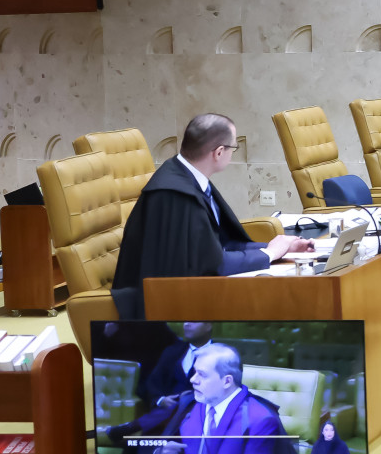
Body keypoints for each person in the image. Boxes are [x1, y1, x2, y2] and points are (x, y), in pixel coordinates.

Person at [111, 114, 310, 320]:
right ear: (219, 152)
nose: (232, 153)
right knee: (284, 304)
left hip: (191, 288)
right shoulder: (177, 195)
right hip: (167, 310)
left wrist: (279, 248)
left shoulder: (189, 178)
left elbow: (219, 244)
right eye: (233, 148)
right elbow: (213, 264)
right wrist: (269, 254)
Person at [108, 343, 292, 454]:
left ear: (227, 381)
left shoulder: (260, 418)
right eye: (194, 371)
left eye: (201, 374)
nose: (192, 379)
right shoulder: (190, 406)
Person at [138, 321, 215, 410]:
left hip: (204, 411)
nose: (186, 324)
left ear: (208, 326)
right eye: (185, 321)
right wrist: (161, 400)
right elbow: (153, 382)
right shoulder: (172, 351)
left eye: (193, 321)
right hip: (169, 411)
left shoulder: (222, 354)